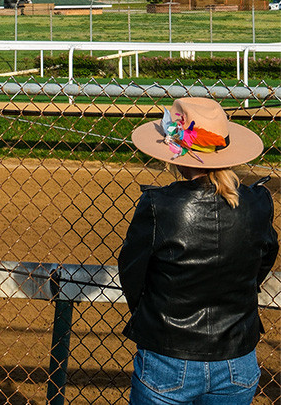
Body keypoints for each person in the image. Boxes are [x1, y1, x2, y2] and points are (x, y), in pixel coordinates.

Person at [119, 97, 278, 405]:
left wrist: (156, 315)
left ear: (175, 152)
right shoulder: (259, 203)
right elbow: (262, 263)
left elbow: (132, 274)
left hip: (168, 355)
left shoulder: (158, 206)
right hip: (236, 356)